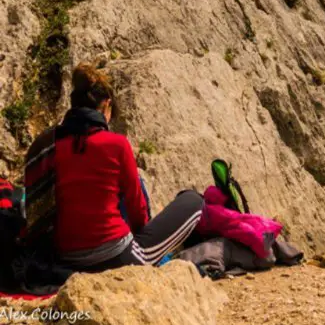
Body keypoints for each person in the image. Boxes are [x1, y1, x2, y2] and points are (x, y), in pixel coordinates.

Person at [24, 61, 203, 271]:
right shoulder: (116, 144)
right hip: (118, 258)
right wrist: (141, 237)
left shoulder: (52, 147)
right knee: (193, 200)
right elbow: (137, 209)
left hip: (65, 257)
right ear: (106, 105)